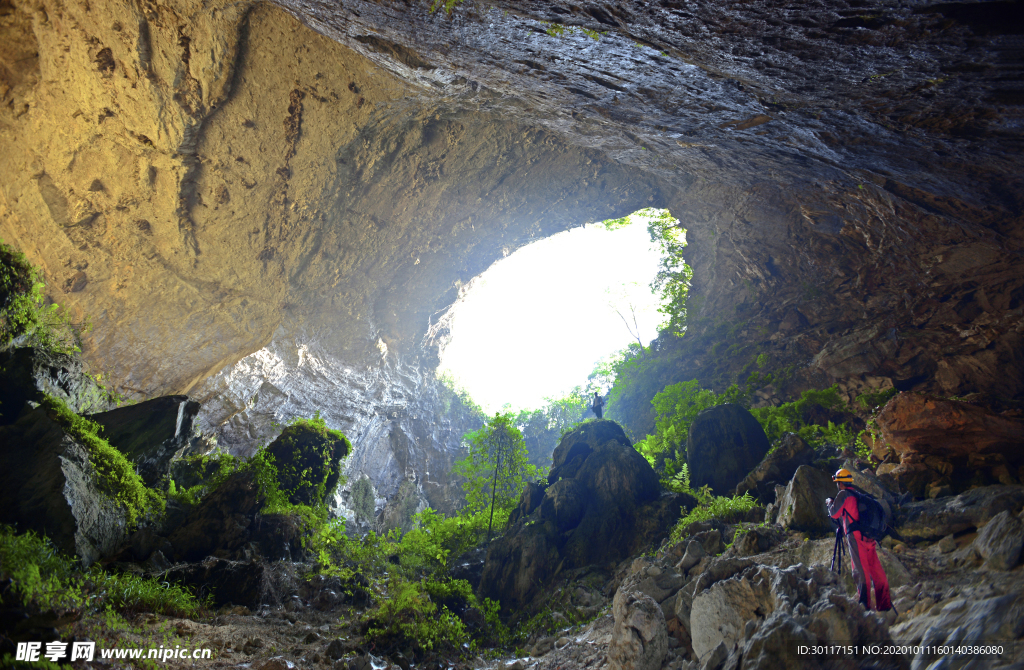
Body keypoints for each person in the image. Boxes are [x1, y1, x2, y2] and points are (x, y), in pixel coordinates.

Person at [826, 468, 893, 612]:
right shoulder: (859, 495)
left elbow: (834, 513)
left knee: (860, 571)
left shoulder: (843, 494)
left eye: (837, 483)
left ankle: (864, 606)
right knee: (875, 568)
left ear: (840, 483)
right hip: (869, 536)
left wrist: (829, 503)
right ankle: (885, 604)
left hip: (855, 536)